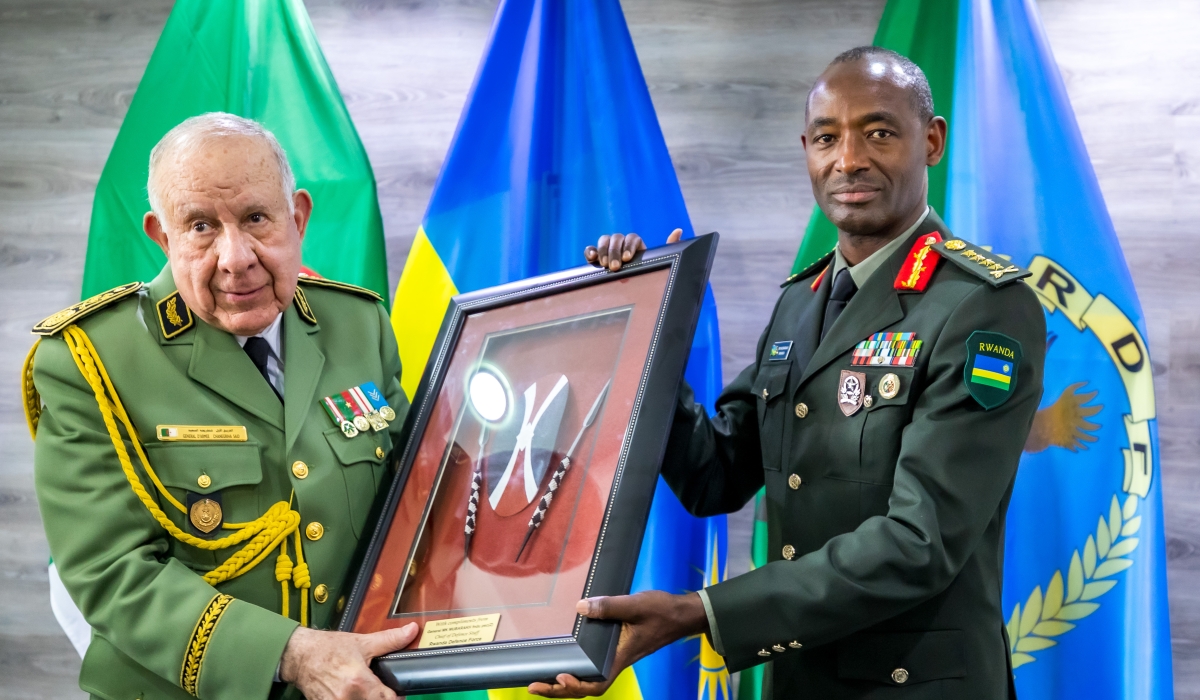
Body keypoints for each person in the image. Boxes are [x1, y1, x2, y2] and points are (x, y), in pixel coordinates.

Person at [532, 47, 1047, 698]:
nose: (849, 160)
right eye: (827, 138)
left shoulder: (983, 306)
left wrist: (701, 613)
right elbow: (714, 474)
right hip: (799, 680)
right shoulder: (800, 303)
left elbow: (918, 543)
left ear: (932, 140)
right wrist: (644, 328)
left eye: (879, 132)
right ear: (806, 149)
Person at [25, 113, 418, 700]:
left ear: (299, 217)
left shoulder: (359, 325)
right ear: (162, 236)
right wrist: (295, 655)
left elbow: (423, 507)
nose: (236, 258)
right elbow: (113, 575)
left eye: (257, 218)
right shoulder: (87, 361)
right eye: (201, 226)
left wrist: (519, 641)